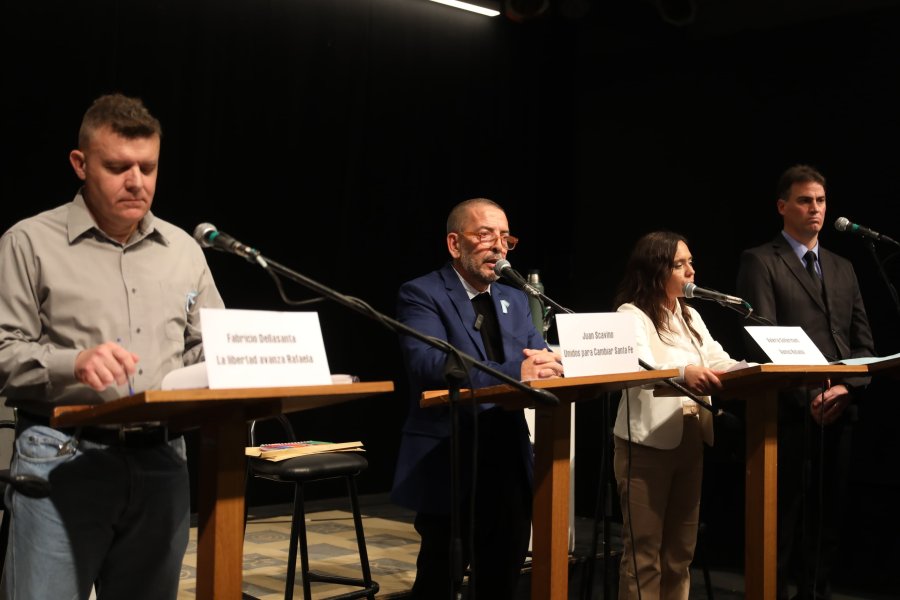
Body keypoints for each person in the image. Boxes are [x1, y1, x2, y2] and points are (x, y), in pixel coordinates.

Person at [0, 93, 224, 599]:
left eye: (148, 167)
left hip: (163, 460)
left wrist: (234, 361)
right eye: (118, 166)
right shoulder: (28, 242)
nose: (137, 182)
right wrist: (72, 362)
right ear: (80, 164)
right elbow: (3, 350)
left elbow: (207, 349)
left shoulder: (184, 251)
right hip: (63, 457)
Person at [390, 197, 564, 600]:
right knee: (438, 581)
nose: (499, 246)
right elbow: (430, 364)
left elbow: (537, 355)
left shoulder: (517, 299)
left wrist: (551, 364)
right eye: (485, 235)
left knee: (501, 580)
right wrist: (515, 373)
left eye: (506, 238)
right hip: (451, 458)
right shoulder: (422, 294)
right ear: (455, 244)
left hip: (508, 459)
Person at [735, 164, 874, 600]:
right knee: (782, 520)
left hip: (839, 409)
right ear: (782, 207)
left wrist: (847, 388)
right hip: (788, 414)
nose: (815, 209)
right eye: (804, 200)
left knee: (828, 520)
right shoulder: (760, 260)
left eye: (820, 201)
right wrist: (811, 394)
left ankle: (816, 593)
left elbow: (863, 343)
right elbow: (762, 340)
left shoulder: (842, 266)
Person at [612, 231, 742, 600]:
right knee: (644, 555)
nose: (691, 271)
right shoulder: (631, 314)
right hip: (645, 441)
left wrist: (750, 369)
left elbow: (715, 358)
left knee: (680, 554)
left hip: (690, 435)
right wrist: (685, 371)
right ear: (656, 270)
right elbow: (640, 365)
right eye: (680, 264)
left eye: (691, 262)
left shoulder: (690, 314)